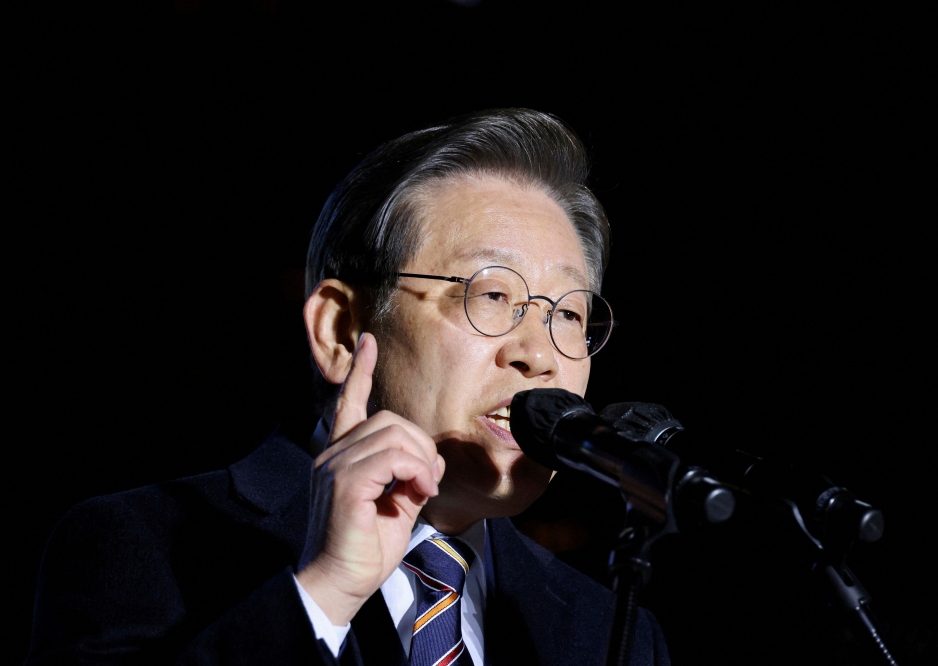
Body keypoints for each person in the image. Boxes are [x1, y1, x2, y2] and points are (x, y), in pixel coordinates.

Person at [29, 109, 669, 665]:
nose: (538, 355)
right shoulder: (144, 541)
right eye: (492, 295)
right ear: (341, 330)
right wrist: (326, 592)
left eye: (567, 315)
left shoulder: (613, 629)